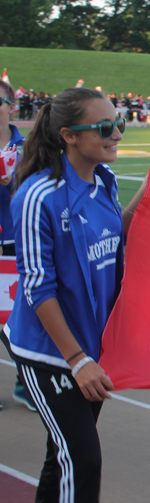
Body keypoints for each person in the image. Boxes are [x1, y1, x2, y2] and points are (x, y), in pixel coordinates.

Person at [0, 87, 150, 502]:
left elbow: (107, 235)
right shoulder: (37, 196)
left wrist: (147, 199)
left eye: (118, 124)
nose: (117, 134)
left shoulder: (105, 181)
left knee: (63, 456)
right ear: (69, 135)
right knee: (82, 462)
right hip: (52, 353)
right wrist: (77, 359)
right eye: (105, 128)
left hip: (92, 347)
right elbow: (37, 286)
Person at [0, 78, 36, 412]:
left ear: (11, 104)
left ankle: (26, 383)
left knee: (16, 314)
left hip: (14, 240)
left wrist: (14, 183)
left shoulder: (26, 147)